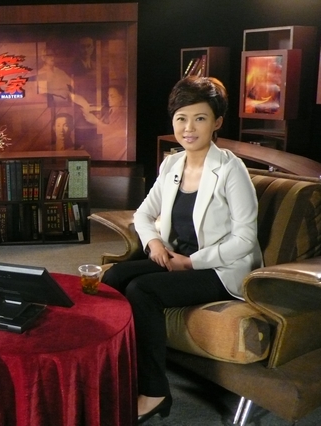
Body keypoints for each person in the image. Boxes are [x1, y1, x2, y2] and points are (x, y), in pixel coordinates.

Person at [100, 76, 262, 424]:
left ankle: (155, 392)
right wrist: (154, 243)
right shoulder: (172, 164)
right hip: (175, 256)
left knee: (142, 290)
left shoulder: (231, 170)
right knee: (113, 278)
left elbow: (245, 239)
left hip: (221, 269)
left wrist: (191, 262)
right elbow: (143, 214)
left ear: (217, 122)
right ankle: (115, 373)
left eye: (200, 118)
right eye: (181, 118)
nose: (189, 128)